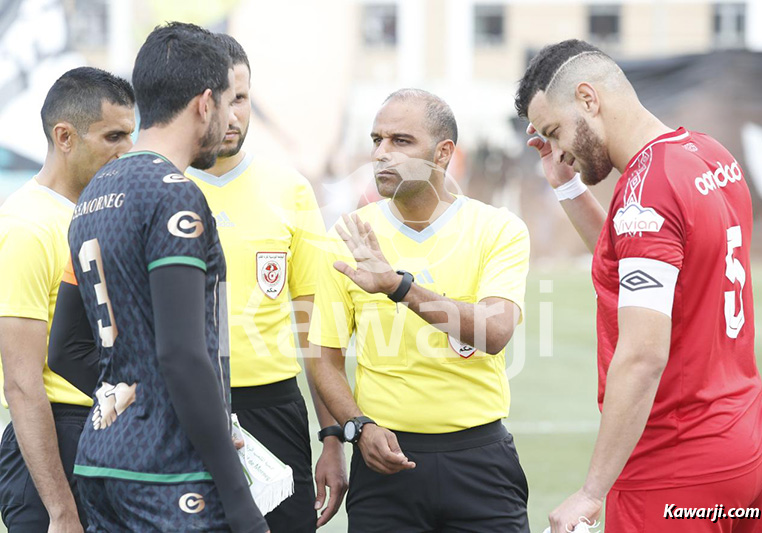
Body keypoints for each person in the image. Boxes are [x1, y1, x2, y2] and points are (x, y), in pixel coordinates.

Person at [516, 39, 762, 533]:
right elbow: (630, 262)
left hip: (677, 464)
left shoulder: (648, 187)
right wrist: (565, 185)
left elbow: (643, 355)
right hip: (747, 441)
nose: (558, 147)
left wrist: (592, 491)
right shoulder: (707, 152)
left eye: (555, 130)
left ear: (589, 99)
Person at [47, 22, 268, 533]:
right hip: (170, 477)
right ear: (205, 103)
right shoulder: (174, 193)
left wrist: (139, 403)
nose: (232, 117)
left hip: (102, 461)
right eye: (229, 102)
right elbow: (182, 353)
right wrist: (237, 493)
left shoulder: (93, 193)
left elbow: (65, 349)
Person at [309, 88, 531, 532]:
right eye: (377, 140)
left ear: (443, 153)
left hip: (480, 462)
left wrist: (399, 287)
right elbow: (323, 358)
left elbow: (495, 332)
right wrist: (357, 427)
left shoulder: (498, 229)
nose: (381, 154)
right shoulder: (348, 236)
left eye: (401, 141)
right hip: (383, 461)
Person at [185, 34, 346, 532]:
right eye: (219, 100)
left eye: (242, 97)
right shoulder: (160, 186)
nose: (232, 115)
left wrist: (333, 438)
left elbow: (312, 328)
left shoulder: (290, 189)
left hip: (272, 407)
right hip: (180, 406)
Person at [0, 67, 135, 532]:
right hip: (56, 440)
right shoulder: (26, 227)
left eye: (130, 134)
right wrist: (60, 509)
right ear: (65, 137)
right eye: (114, 135)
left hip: (110, 432)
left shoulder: (106, 210)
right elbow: (21, 383)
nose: (127, 149)